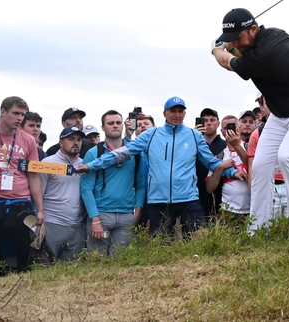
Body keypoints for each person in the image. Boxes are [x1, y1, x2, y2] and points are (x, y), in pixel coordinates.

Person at [211, 8, 289, 232]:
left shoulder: (264, 53)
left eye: (238, 38)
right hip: (283, 113)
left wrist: (216, 48)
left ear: (253, 29)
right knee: (259, 166)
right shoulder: (269, 37)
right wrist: (231, 43)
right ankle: (258, 229)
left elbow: (226, 62)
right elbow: (239, 51)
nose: (236, 44)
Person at [77, 97, 237, 237]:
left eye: (180, 111)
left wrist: (232, 171)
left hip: (188, 198)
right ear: (164, 113)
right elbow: (122, 153)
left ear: (185, 114)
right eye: (173, 111)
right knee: (161, 246)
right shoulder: (151, 134)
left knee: (200, 239)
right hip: (159, 201)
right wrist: (91, 166)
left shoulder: (194, 135)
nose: (177, 115)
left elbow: (211, 161)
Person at [81, 111, 146, 255]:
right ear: (103, 127)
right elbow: (86, 189)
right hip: (101, 215)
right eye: (110, 123)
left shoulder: (135, 152)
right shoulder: (94, 153)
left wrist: (137, 213)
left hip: (126, 216)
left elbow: (141, 185)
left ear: (123, 125)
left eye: (118, 123)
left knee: (120, 265)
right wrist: (95, 220)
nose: (115, 126)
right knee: (96, 262)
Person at [0, 97, 43, 276]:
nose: (20, 118)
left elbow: (34, 176)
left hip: (21, 202)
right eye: (16, 113)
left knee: (24, 251)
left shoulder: (28, 140)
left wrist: (40, 210)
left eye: (22, 114)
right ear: (3, 112)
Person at [41, 126, 86, 262]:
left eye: (79, 139)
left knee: (71, 274)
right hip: (52, 223)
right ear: (61, 142)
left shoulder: (85, 164)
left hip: (77, 226)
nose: (76, 142)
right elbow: (38, 194)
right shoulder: (47, 163)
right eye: (71, 139)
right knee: (45, 269)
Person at [194, 108, 227, 216]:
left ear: (218, 123)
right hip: (195, 199)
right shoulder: (192, 144)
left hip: (221, 201)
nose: (208, 123)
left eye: (212, 120)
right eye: (205, 120)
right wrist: (193, 138)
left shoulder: (226, 145)